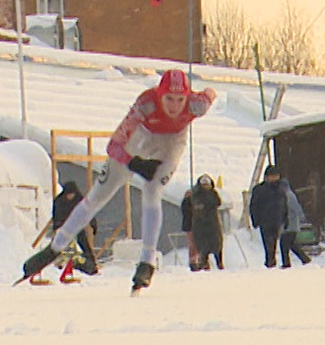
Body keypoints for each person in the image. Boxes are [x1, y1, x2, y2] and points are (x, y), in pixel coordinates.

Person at [22, 68, 215, 293]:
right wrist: (133, 163)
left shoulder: (196, 105)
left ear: (188, 97)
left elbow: (210, 93)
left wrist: (208, 93)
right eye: (168, 99)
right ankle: (55, 247)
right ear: (158, 94)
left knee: (153, 190)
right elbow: (113, 146)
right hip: (139, 137)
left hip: (173, 141)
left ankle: (147, 261)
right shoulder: (145, 104)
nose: (174, 106)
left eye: (180, 99)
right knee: (98, 195)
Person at [46, 179, 97, 278]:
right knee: (62, 248)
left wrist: (93, 223)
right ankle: (59, 267)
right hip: (64, 228)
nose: (70, 197)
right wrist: (57, 227)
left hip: (77, 227)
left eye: (72, 194)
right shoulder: (59, 201)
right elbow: (56, 215)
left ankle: (91, 266)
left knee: (84, 245)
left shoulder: (80, 200)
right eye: (68, 195)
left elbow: (88, 212)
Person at [249, 165, 290, 268]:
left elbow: (284, 204)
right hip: (265, 221)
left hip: (277, 220)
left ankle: (271, 261)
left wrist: (286, 218)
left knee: (274, 242)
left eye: (276, 176)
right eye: (272, 176)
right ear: (266, 177)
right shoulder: (259, 189)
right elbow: (253, 206)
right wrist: (255, 220)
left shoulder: (281, 189)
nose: (274, 178)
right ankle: (270, 262)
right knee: (268, 243)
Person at [183, 175, 224, 272]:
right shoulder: (195, 195)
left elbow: (218, 203)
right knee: (202, 246)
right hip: (200, 225)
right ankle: (203, 263)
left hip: (213, 224)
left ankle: (219, 262)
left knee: (217, 244)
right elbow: (191, 208)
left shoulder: (213, 194)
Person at [279, 176, 311, 268]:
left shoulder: (288, 195)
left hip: (291, 225)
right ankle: (304, 259)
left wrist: (301, 217)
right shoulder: (285, 195)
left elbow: (296, 208)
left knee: (285, 244)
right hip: (288, 225)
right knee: (291, 244)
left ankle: (287, 263)